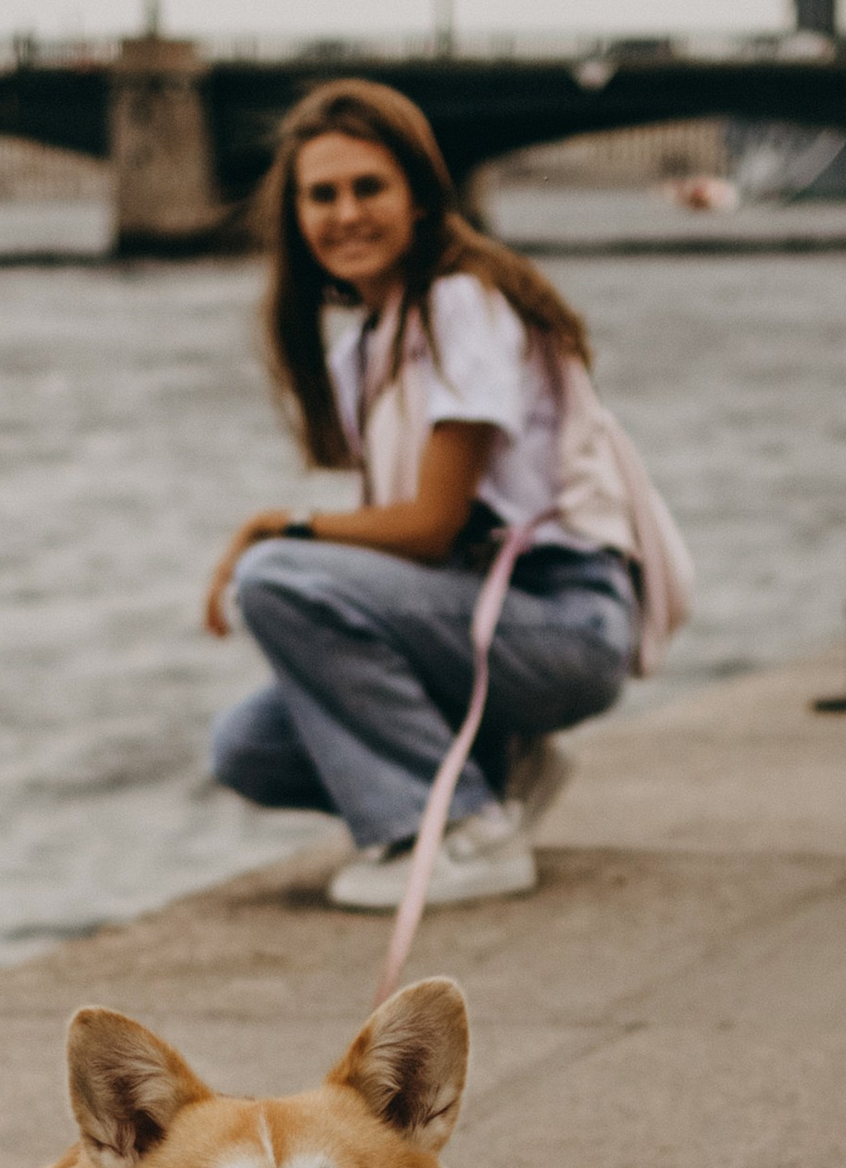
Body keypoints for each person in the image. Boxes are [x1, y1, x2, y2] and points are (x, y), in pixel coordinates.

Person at [204, 79, 650, 913]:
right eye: (321, 195)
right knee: (247, 748)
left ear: (419, 197)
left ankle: (464, 831)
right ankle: (500, 768)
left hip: (562, 618)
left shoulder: (462, 303)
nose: (345, 215)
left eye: (368, 188)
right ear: (295, 217)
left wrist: (277, 526)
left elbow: (430, 527)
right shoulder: (363, 351)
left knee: (276, 574)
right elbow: (419, 548)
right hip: (476, 619)